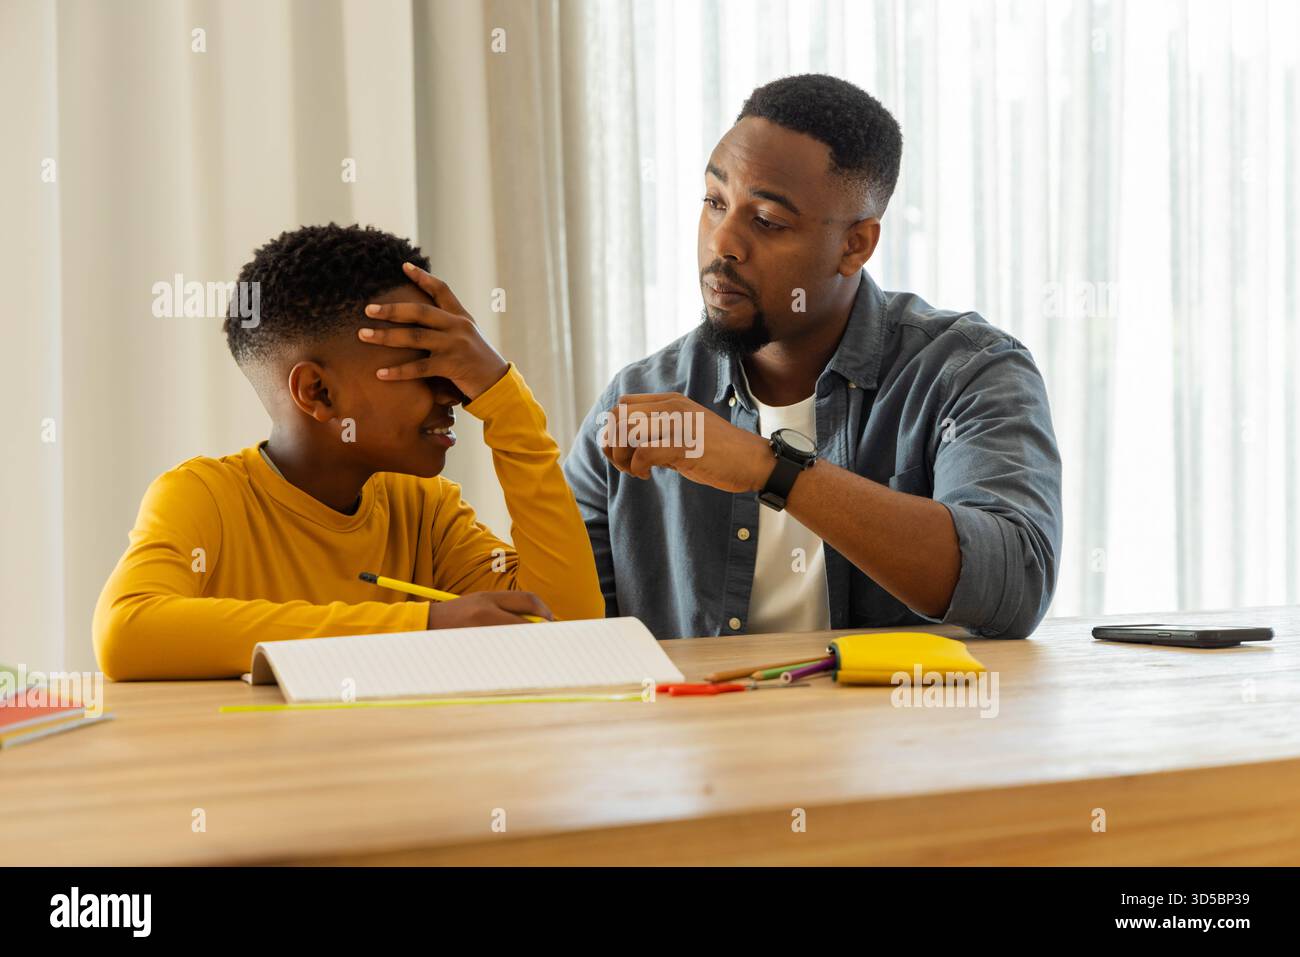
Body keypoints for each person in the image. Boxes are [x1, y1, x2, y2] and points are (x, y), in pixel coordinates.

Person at [563, 74, 1062, 640]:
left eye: (767, 221)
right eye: (714, 201)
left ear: (856, 245)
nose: (722, 242)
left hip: (902, 728)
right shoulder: (640, 400)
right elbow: (560, 623)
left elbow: (1015, 583)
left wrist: (768, 468)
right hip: (692, 727)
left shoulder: (967, 372)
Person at [94, 223, 602, 680]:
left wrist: (506, 402)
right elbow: (128, 631)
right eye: (425, 366)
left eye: (460, 369)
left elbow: (564, 632)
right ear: (318, 392)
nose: (455, 393)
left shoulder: (427, 512)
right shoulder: (204, 496)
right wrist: (422, 624)